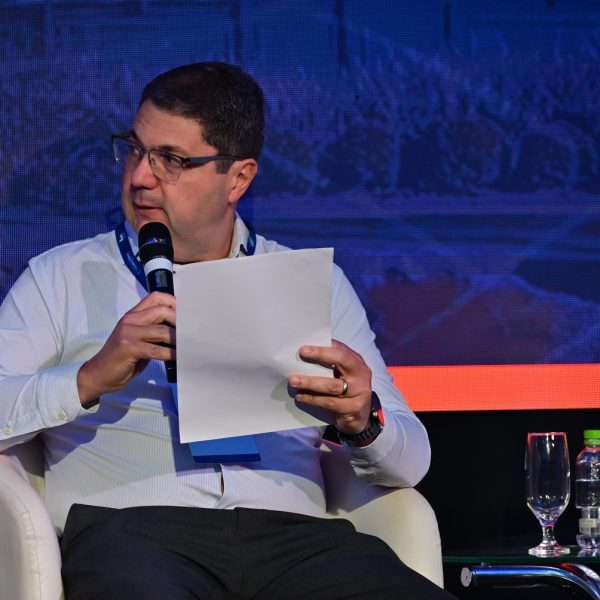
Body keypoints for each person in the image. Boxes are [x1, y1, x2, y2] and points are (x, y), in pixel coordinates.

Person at [0, 62, 455, 599]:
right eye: (135, 150)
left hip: (295, 542)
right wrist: (89, 378)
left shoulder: (312, 283)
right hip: (136, 534)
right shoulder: (59, 278)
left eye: (171, 160)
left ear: (238, 178)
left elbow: (412, 462)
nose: (140, 176)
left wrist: (363, 419)